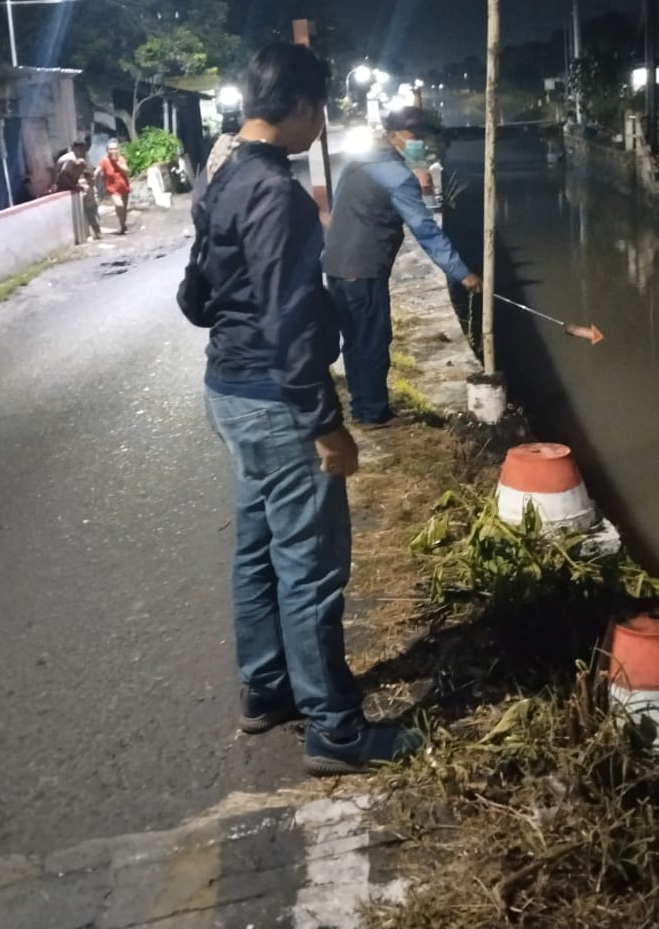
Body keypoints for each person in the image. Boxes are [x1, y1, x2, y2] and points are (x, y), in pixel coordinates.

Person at [198, 41, 419, 775]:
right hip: (275, 401)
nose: (321, 123)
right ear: (296, 108)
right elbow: (291, 323)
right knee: (311, 566)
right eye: (319, 109)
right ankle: (336, 729)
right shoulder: (278, 196)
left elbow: (196, 295)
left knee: (257, 547)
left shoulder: (223, 176)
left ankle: (266, 692)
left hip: (228, 390)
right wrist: (325, 424)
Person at [322, 107, 481, 426]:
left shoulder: (358, 162)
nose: (418, 143)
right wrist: (462, 273)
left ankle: (363, 406)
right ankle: (373, 413)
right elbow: (426, 229)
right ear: (392, 134)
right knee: (373, 340)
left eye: (423, 138)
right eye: (413, 136)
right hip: (363, 267)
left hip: (336, 265)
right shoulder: (396, 177)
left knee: (355, 339)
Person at [56, 139, 102, 240]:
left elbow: (88, 173)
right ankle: (90, 234)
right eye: (80, 149)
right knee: (83, 211)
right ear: (74, 149)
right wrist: (74, 187)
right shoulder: (70, 159)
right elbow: (63, 174)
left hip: (79, 185)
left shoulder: (82, 157)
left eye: (83, 149)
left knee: (90, 208)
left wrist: (89, 182)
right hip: (67, 186)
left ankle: (96, 232)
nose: (82, 152)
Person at [98, 140, 132, 234]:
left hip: (124, 187)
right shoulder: (104, 160)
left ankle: (122, 225)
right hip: (112, 189)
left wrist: (116, 163)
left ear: (118, 150)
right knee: (119, 205)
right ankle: (122, 225)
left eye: (115, 148)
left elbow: (126, 171)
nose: (113, 151)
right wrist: (94, 175)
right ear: (107, 150)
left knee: (123, 209)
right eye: (111, 149)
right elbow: (98, 169)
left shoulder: (121, 159)